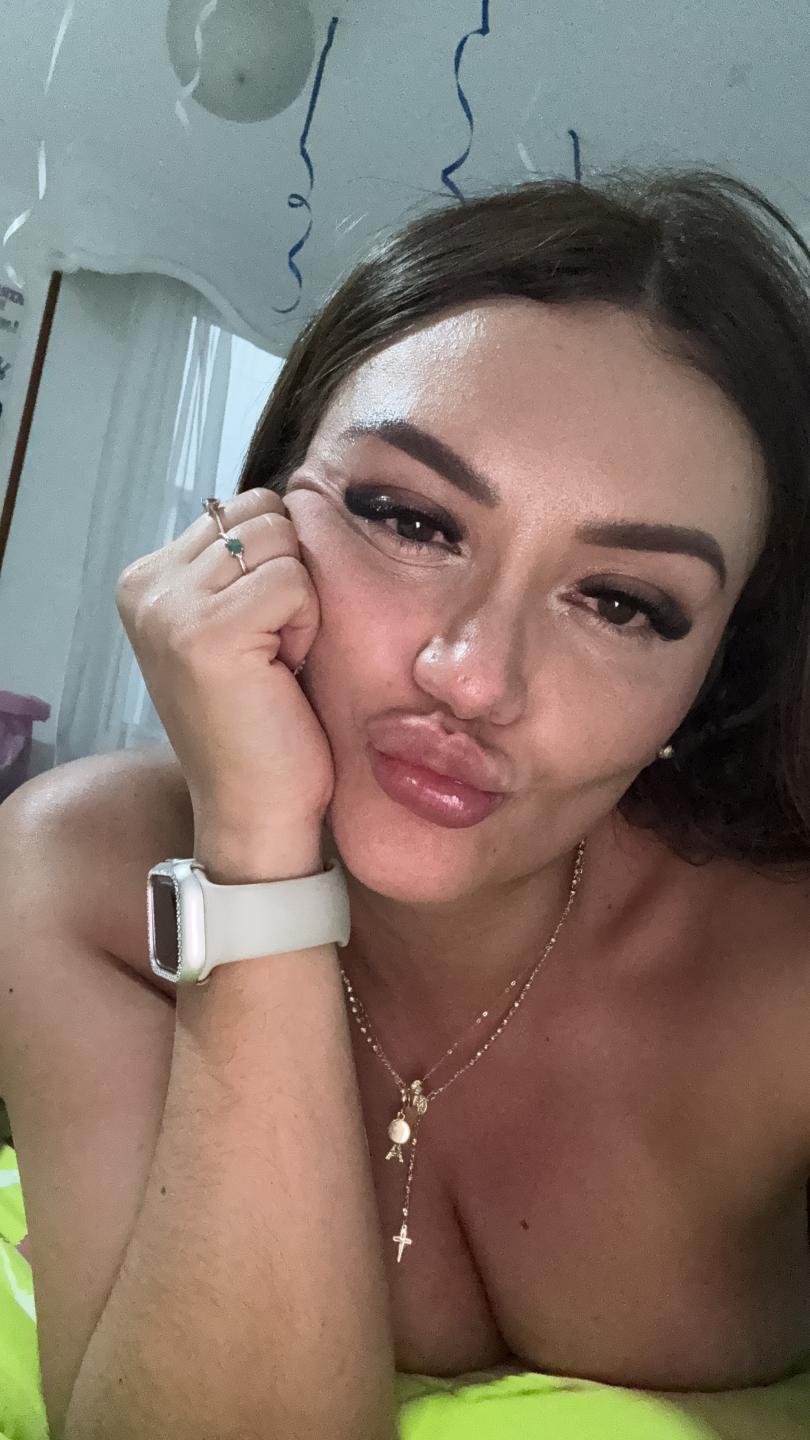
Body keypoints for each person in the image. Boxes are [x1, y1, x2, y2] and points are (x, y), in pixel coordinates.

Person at [2, 167, 810, 1440]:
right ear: (259, 518)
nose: (474, 677)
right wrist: (256, 853)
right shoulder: (82, 872)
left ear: (713, 676)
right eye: (410, 520)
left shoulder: (784, 978)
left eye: (622, 603)